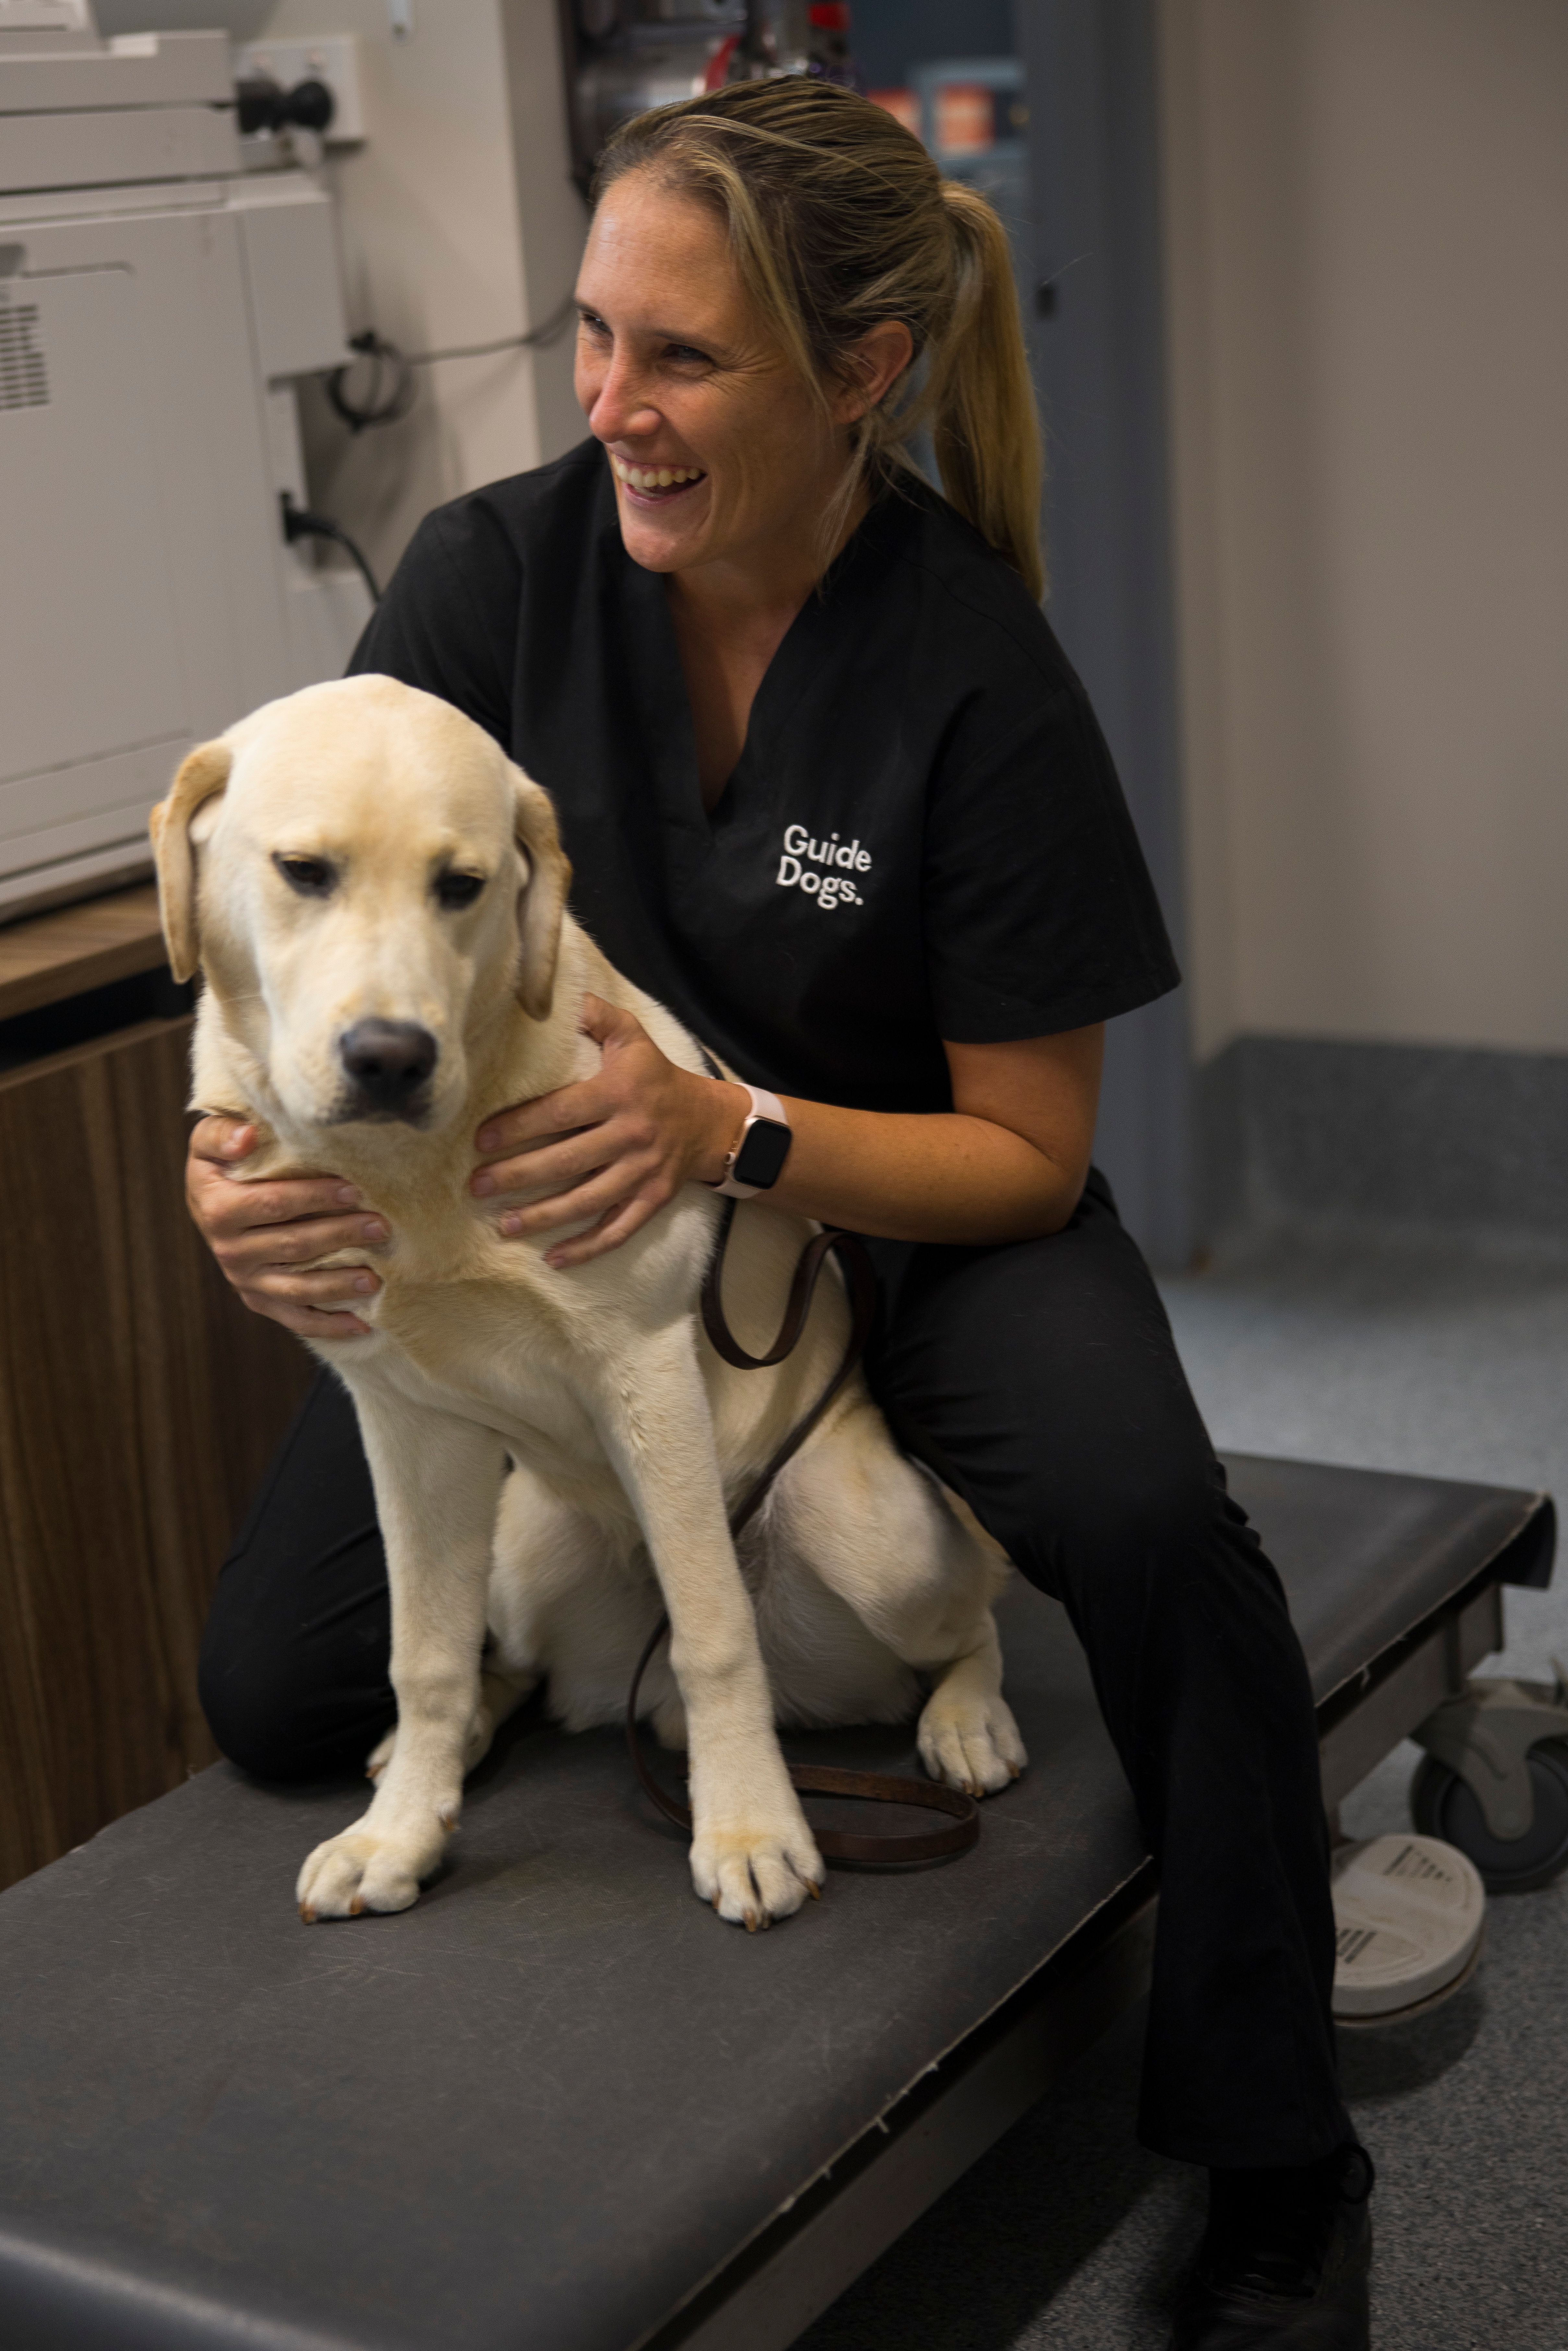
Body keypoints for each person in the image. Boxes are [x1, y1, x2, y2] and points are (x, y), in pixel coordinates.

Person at [184, 79, 1372, 2350]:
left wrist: (725, 1127)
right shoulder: (485, 584)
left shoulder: (971, 672)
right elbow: (289, 920)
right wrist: (223, 1176)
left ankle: (1275, 2152)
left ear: (862, 375)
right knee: (276, 1685)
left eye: (685, 359)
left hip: (899, 1221)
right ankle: (642, 1582)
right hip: (552, 1247)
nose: (611, 408)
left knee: (1143, 1521)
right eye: (590, 337)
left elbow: (1022, 1152)